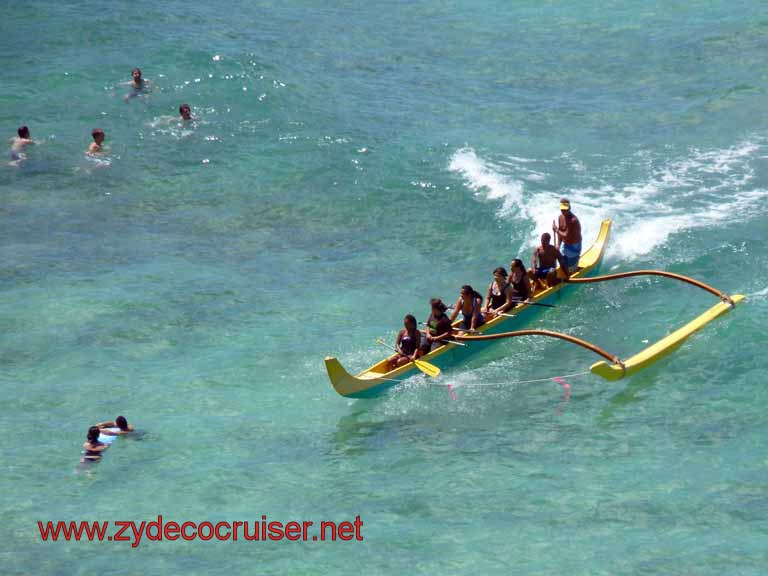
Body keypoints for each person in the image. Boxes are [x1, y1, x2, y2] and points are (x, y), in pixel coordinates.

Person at [553, 198, 582, 272]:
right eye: (562, 209)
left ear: (569, 208)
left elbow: (566, 235)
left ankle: (573, 270)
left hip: (574, 246)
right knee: (563, 263)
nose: (564, 211)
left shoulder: (573, 220)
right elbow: (561, 232)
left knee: (572, 270)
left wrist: (556, 230)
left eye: (565, 209)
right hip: (565, 244)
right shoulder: (560, 217)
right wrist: (558, 245)